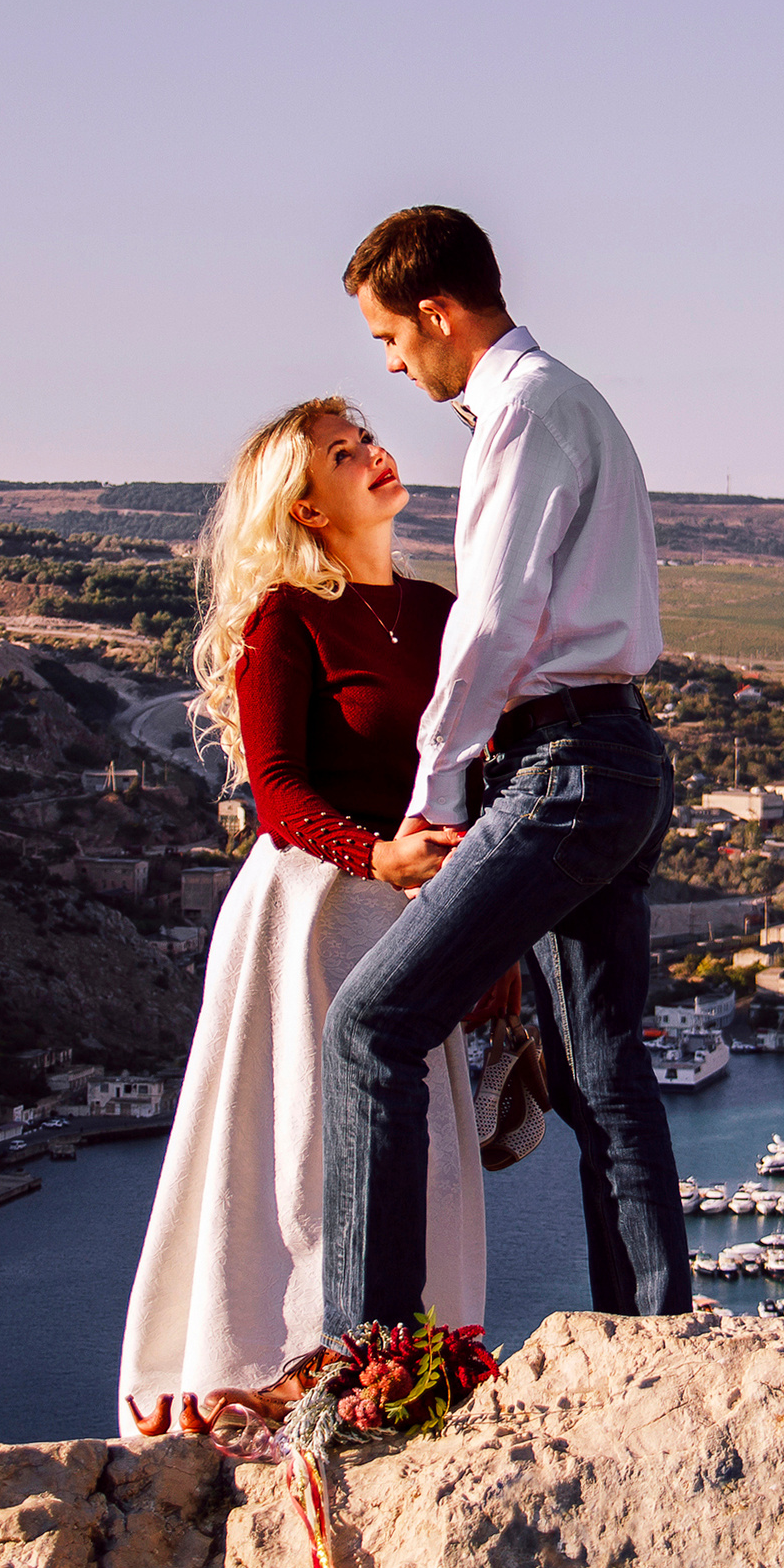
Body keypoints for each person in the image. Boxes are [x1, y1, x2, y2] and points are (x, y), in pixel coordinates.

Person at [323, 206, 690, 1335]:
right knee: (600, 1075)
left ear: (438, 313)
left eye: (391, 336)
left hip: (563, 766)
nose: (391, 363)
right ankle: (651, 1340)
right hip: (615, 755)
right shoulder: (573, 403)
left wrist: (433, 797)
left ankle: (371, 1357)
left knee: (370, 1029)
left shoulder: (524, 414)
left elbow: (490, 625)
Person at [118, 397, 485, 1438]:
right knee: (298, 1152)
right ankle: (274, 1372)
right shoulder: (285, 619)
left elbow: (474, 773)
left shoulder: (440, 613)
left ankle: (408, 1367)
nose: (375, 454)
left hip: (417, 916)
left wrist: (487, 925)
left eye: (367, 439)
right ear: (307, 506)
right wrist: (376, 857)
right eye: (342, 452)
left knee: (419, 1157)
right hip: (311, 916)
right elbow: (277, 791)